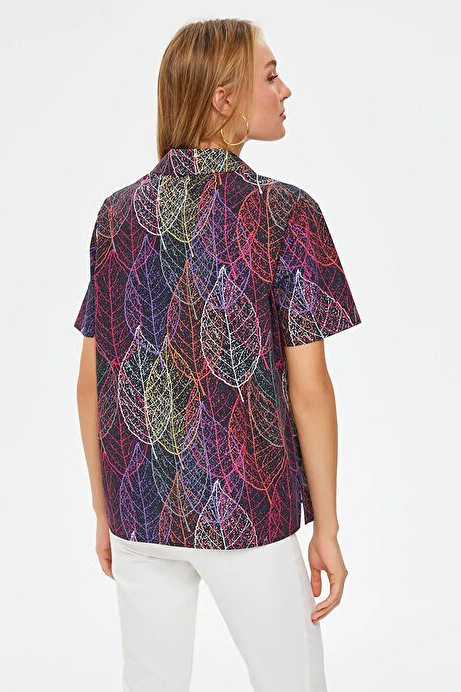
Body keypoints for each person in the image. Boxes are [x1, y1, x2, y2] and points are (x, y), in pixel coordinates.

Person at [74, 18, 362, 692]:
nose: (284, 90)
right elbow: (310, 390)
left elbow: (91, 382)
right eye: (270, 75)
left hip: (139, 506)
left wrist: (104, 510)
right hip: (247, 507)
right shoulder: (280, 212)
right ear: (222, 98)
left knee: (150, 682)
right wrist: (325, 528)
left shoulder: (116, 215)